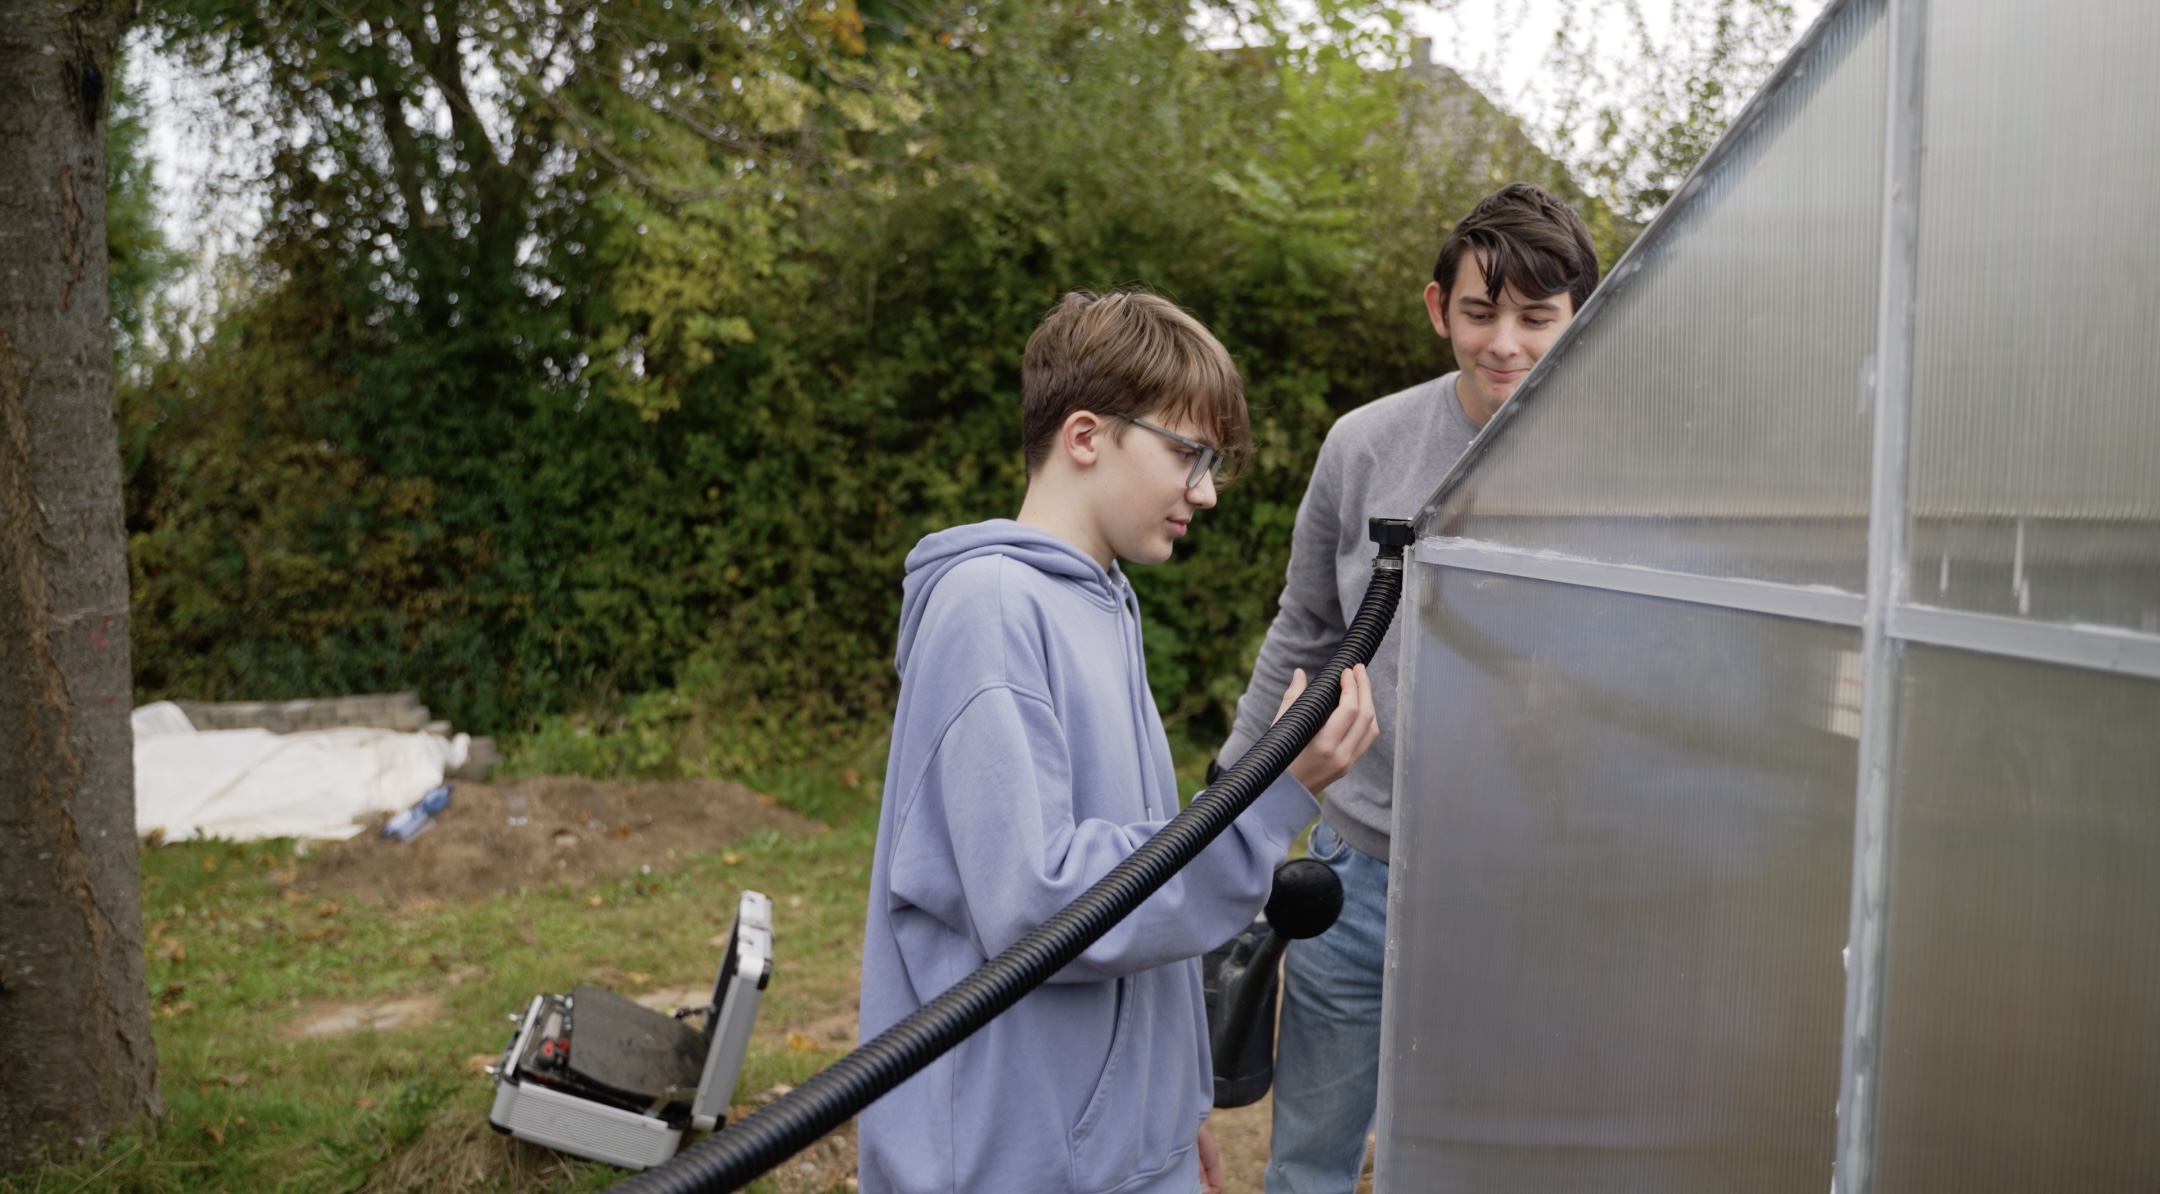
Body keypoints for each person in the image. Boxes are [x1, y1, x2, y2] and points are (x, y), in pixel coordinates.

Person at [857, 289, 1382, 1194]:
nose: (1205, 491)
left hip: (1109, 1151)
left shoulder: (1101, 599)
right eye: (1188, 454)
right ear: (1086, 435)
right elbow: (1041, 907)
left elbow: (1136, 877)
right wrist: (1274, 798)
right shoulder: (993, 609)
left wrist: (1169, 1113)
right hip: (1014, 1164)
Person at [1214, 182, 1602, 1194]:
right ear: (1439, 309)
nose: (1504, 344)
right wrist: (1228, 790)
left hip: (1530, 882)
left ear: (1582, 320)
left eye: (1536, 318)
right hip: (1357, 871)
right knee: (1311, 1159)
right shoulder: (1367, 446)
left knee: (1486, 1159)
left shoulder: (1615, 467)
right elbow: (1306, 627)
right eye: (1480, 313)